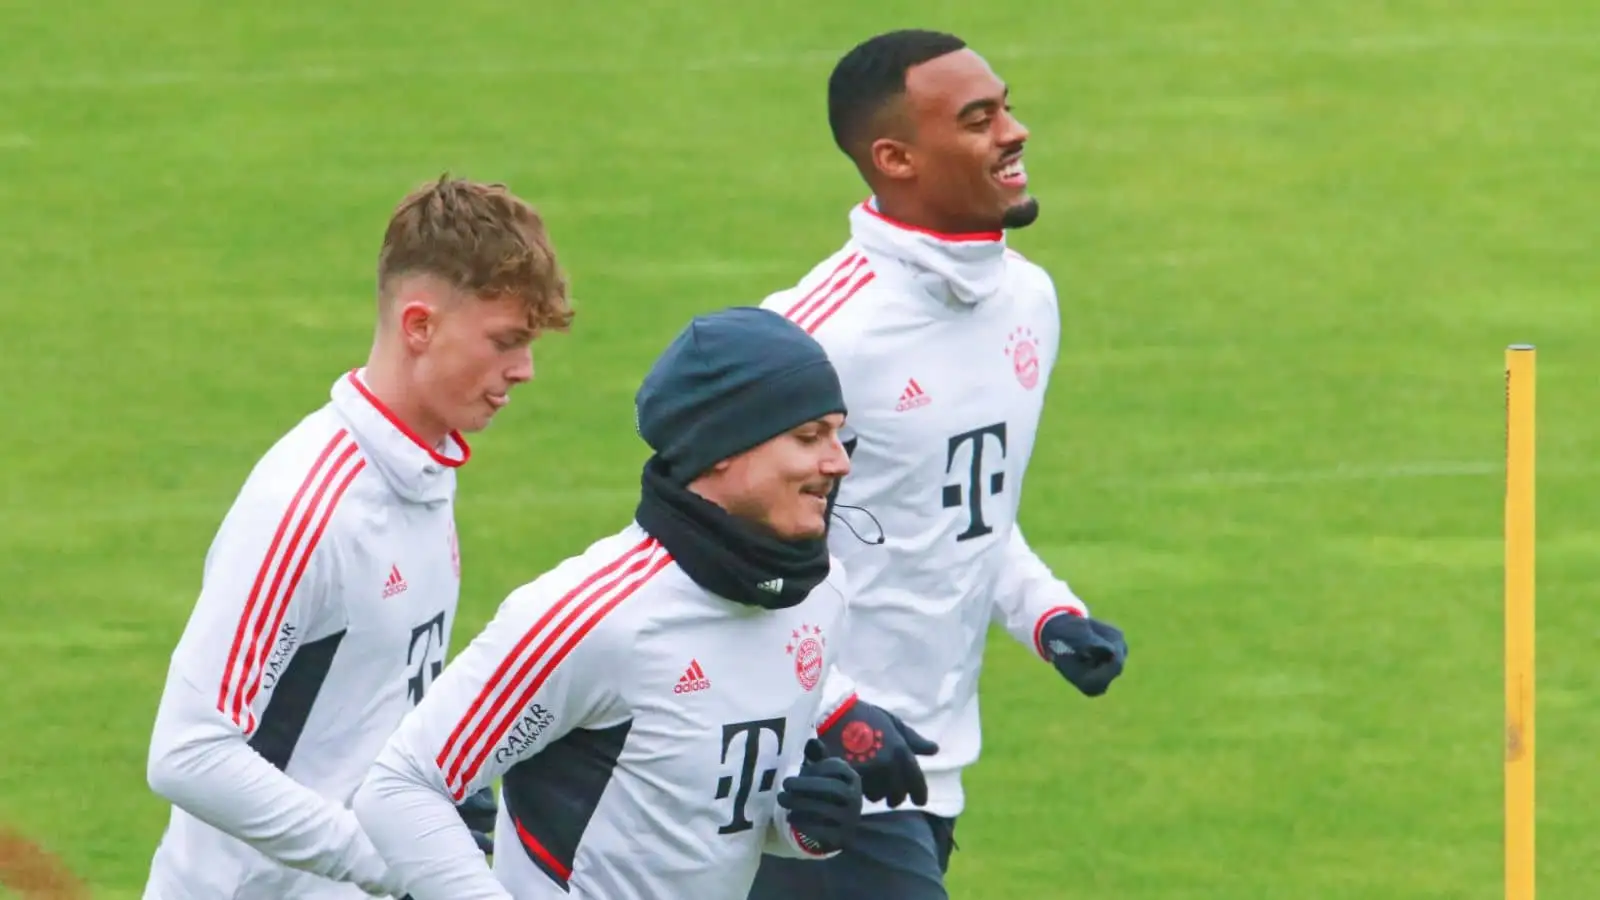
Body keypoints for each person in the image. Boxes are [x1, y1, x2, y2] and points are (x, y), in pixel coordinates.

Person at [349, 306, 941, 900]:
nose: (839, 461)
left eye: (838, 434)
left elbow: (713, 809)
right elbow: (401, 785)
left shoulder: (818, 598)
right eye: (809, 437)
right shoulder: (593, 616)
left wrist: (803, 826)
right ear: (721, 450)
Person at [748, 29, 1132, 899]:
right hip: (808, 769)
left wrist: (1048, 615)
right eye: (978, 119)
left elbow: (965, 513)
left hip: (928, 764)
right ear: (896, 157)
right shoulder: (815, 337)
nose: (1015, 131)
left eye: (1006, 106)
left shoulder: (1028, 301)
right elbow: (712, 558)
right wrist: (839, 708)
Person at [141, 174, 574, 900]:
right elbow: (188, 752)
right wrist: (386, 862)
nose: (523, 371)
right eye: (505, 342)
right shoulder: (310, 510)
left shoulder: (421, 473)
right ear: (418, 326)